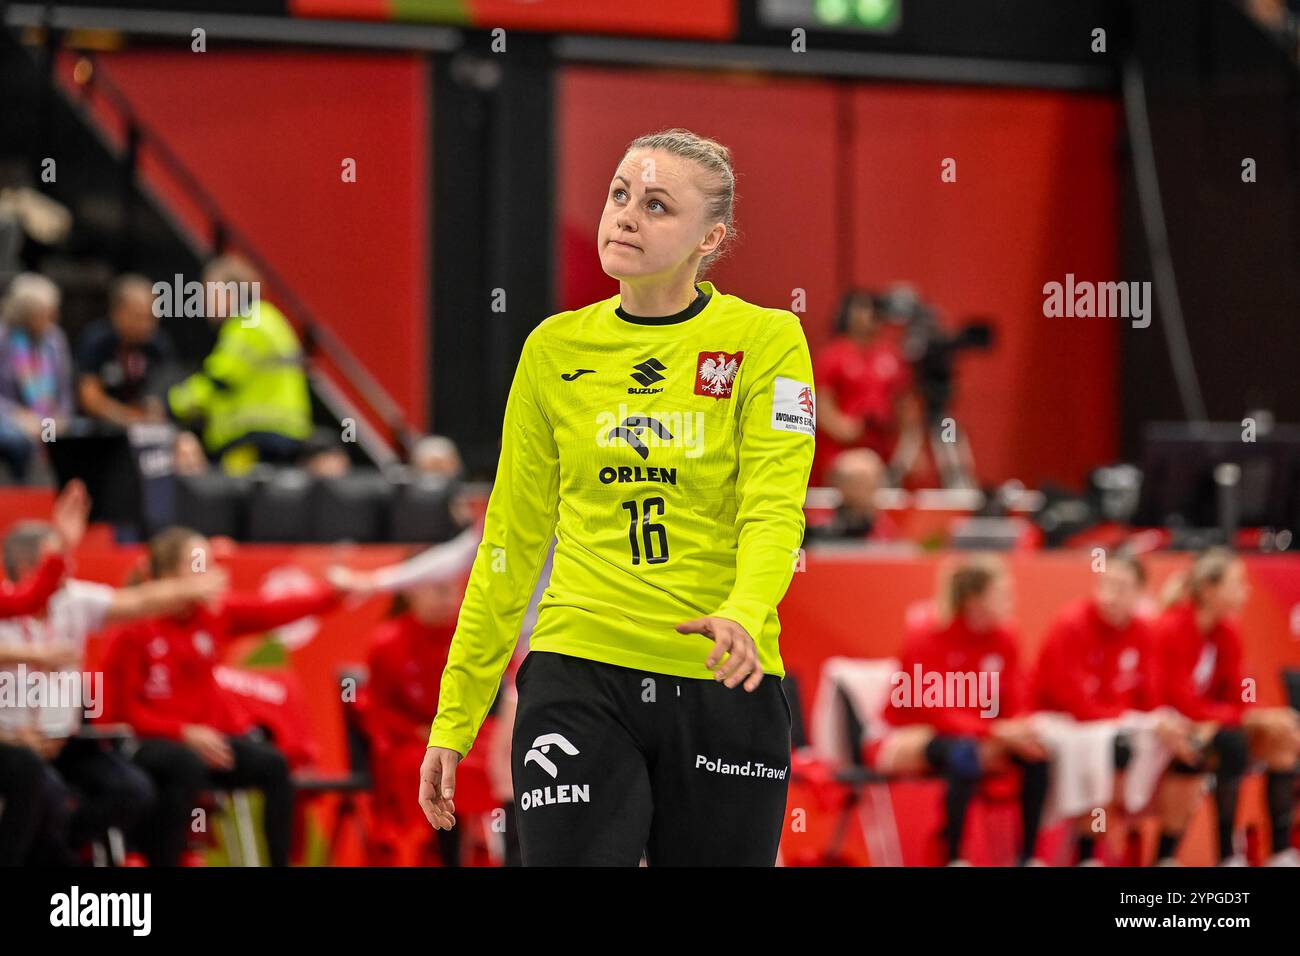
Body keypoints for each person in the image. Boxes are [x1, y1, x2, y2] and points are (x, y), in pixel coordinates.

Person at [418, 128, 814, 867]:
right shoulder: (552, 350)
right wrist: (456, 717)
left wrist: (744, 611)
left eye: (658, 205)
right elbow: (509, 542)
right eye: (620, 195)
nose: (626, 216)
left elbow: (774, 507)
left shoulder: (768, 339)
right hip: (578, 667)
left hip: (721, 674)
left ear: (710, 237)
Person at [0, 483, 227, 865]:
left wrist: (189, 587)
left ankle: (66, 849)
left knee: (130, 790)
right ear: (27, 567)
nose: (67, 569)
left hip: (64, 742)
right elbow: (27, 601)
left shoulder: (69, 599)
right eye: (58, 561)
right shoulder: (14, 606)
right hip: (13, 742)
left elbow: (137, 601)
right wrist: (34, 657)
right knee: (40, 786)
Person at [102, 526, 343, 866]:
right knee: (182, 765)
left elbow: (272, 610)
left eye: (210, 564)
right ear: (169, 575)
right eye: (198, 565)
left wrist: (335, 593)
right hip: (145, 743)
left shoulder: (214, 614)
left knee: (273, 765)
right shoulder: (132, 627)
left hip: (206, 745)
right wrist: (183, 733)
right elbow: (123, 714)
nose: (212, 575)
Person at [874, 554, 1049, 865]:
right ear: (974, 600)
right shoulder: (926, 637)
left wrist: (1020, 728)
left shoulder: (1005, 637)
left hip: (979, 735)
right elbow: (934, 710)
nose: (1012, 600)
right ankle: (954, 857)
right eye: (1002, 593)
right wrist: (994, 731)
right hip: (911, 734)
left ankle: (1027, 856)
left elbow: (1016, 696)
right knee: (964, 753)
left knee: (1037, 753)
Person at [1032, 552, 1199, 865]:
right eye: (1106, 585)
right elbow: (1078, 707)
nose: (1109, 596)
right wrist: (1143, 723)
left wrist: (1160, 724)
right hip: (1062, 725)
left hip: (1116, 724)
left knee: (1187, 750)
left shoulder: (1143, 631)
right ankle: (1088, 853)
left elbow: (1151, 699)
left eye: (1121, 588)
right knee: (1112, 748)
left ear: (1139, 593)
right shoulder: (1071, 625)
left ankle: (1165, 856)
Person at [1154, 548, 1300, 866]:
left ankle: (1281, 852)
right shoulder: (1172, 628)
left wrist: (1260, 716)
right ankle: (1226, 854)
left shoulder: (1227, 632)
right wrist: (1248, 717)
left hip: (1209, 725)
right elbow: (1183, 703)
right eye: (1237, 583)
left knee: (1283, 734)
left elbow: (1240, 691)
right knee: (1232, 742)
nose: (1245, 591)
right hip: (1166, 725)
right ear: (1209, 590)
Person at [166, 256, 312, 474]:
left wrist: (172, 403)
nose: (204, 302)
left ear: (230, 293)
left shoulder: (246, 324)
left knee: (236, 505)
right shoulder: (269, 318)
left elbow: (218, 380)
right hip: (284, 433)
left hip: (254, 437)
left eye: (209, 293)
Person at [813, 289, 922, 487]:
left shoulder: (891, 355)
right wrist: (849, 429)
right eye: (862, 308)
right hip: (840, 454)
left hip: (883, 453)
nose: (869, 315)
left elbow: (905, 406)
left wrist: (908, 448)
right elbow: (821, 406)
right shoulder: (832, 356)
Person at [0, 273, 75, 482]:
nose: (53, 319)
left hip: (48, 418)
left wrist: (59, 418)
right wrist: (18, 416)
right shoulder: (3, 339)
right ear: (25, 313)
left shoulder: (55, 340)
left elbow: (65, 394)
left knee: (77, 436)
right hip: (11, 418)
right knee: (16, 439)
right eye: (45, 314)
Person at [76, 274, 175, 426]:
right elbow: (89, 397)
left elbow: (166, 392)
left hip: (147, 428)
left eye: (152, 317)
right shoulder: (97, 341)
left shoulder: (158, 345)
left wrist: (155, 409)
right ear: (117, 313)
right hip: (102, 430)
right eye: (139, 317)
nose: (147, 325)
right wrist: (126, 417)